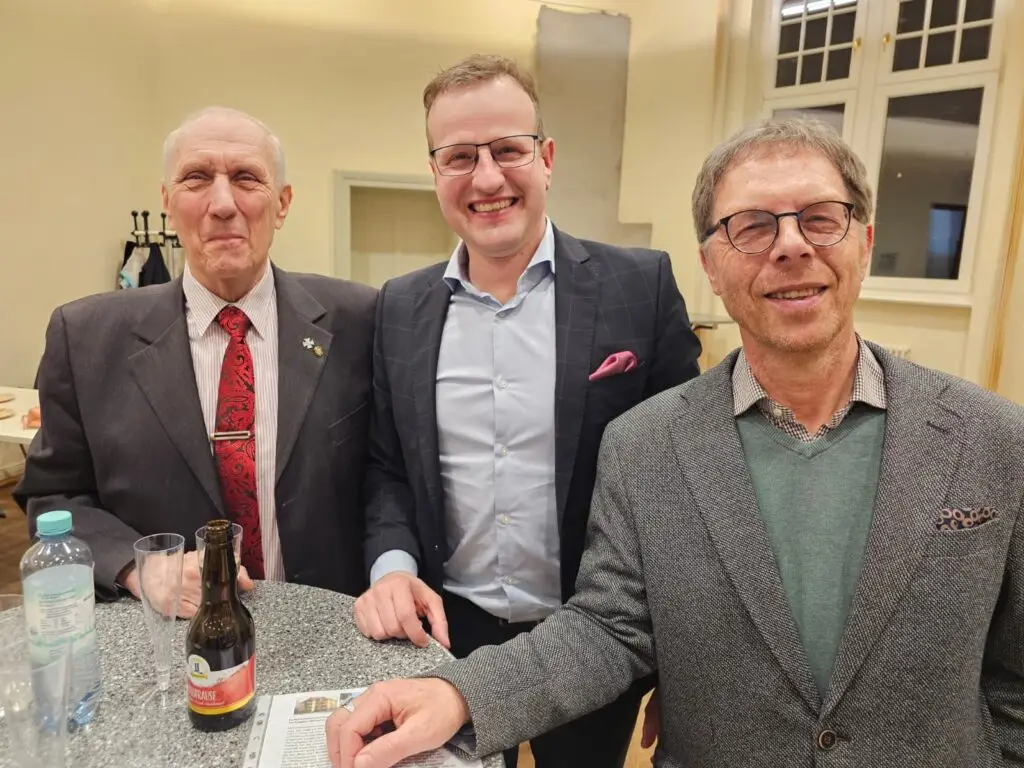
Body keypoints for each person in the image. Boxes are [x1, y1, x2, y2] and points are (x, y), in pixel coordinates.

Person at [325, 116, 1024, 768]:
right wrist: (457, 694)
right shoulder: (646, 448)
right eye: (752, 226)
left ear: (864, 243)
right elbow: (608, 627)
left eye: (820, 218)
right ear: (710, 267)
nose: (791, 245)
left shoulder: (994, 441)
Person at [352, 54, 702, 768]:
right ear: (434, 171)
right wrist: (391, 568)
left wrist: (685, 656)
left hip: (593, 636)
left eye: (508, 149)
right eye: (459, 156)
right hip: (449, 633)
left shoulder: (640, 287)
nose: (486, 179)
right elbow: (388, 468)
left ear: (545, 158)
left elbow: (688, 479)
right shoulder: (399, 307)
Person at [15, 106, 377, 617]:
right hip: (168, 632)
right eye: (197, 178)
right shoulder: (86, 339)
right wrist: (136, 567)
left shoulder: (359, 320)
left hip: (330, 625)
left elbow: (389, 478)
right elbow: (54, 498)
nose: (223, 204)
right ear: (167, 202)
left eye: (246, 178)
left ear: (282, 203)